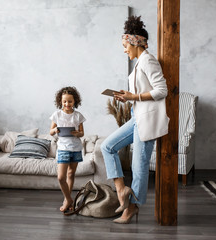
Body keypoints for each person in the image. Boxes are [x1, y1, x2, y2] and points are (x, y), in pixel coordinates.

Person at [101, 15, 169, 224]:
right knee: (107, 146)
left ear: (133, 42)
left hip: (147, 120)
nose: (124, 50)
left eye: (125, 45)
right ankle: (122, 189)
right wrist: (127, 96)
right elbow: (141, 92)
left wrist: (134, 96)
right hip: (136, 116)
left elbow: (162, 90)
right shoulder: (139, 64)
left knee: (139, 165)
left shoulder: (148, 60)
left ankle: (132, 208)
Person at [50, 86, 86, 213]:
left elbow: (82, 133)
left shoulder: (78, 116)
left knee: (71, 174)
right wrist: (55, 130)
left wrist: (77, 133)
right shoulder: (57, 115)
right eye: (64, 101)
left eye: (70, 101)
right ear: (60, 101)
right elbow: (50, 131)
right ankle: (69, 199)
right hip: (63, 148)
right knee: (61, 177)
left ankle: (67, 201)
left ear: (75, 101)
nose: (67, 104)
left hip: (75, 148)